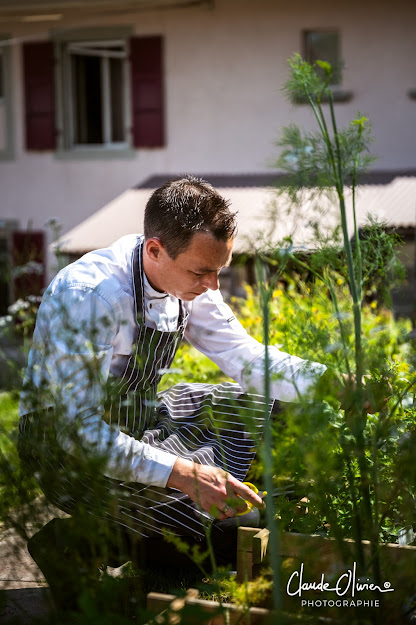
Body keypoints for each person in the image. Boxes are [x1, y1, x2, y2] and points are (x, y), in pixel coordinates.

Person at [18, 176, 327, 608]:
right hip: (66, 450)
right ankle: (78, 543)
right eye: (202, 272)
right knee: (229, 531)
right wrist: (185, 474)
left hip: (140, 421)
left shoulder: (186, 279)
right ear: (155, 250)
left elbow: (245, 357)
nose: (213, 285)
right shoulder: (90, 295)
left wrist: (335, 386)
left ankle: (167, 538)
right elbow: (79, 432)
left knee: (279, 412)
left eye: (219, 269)